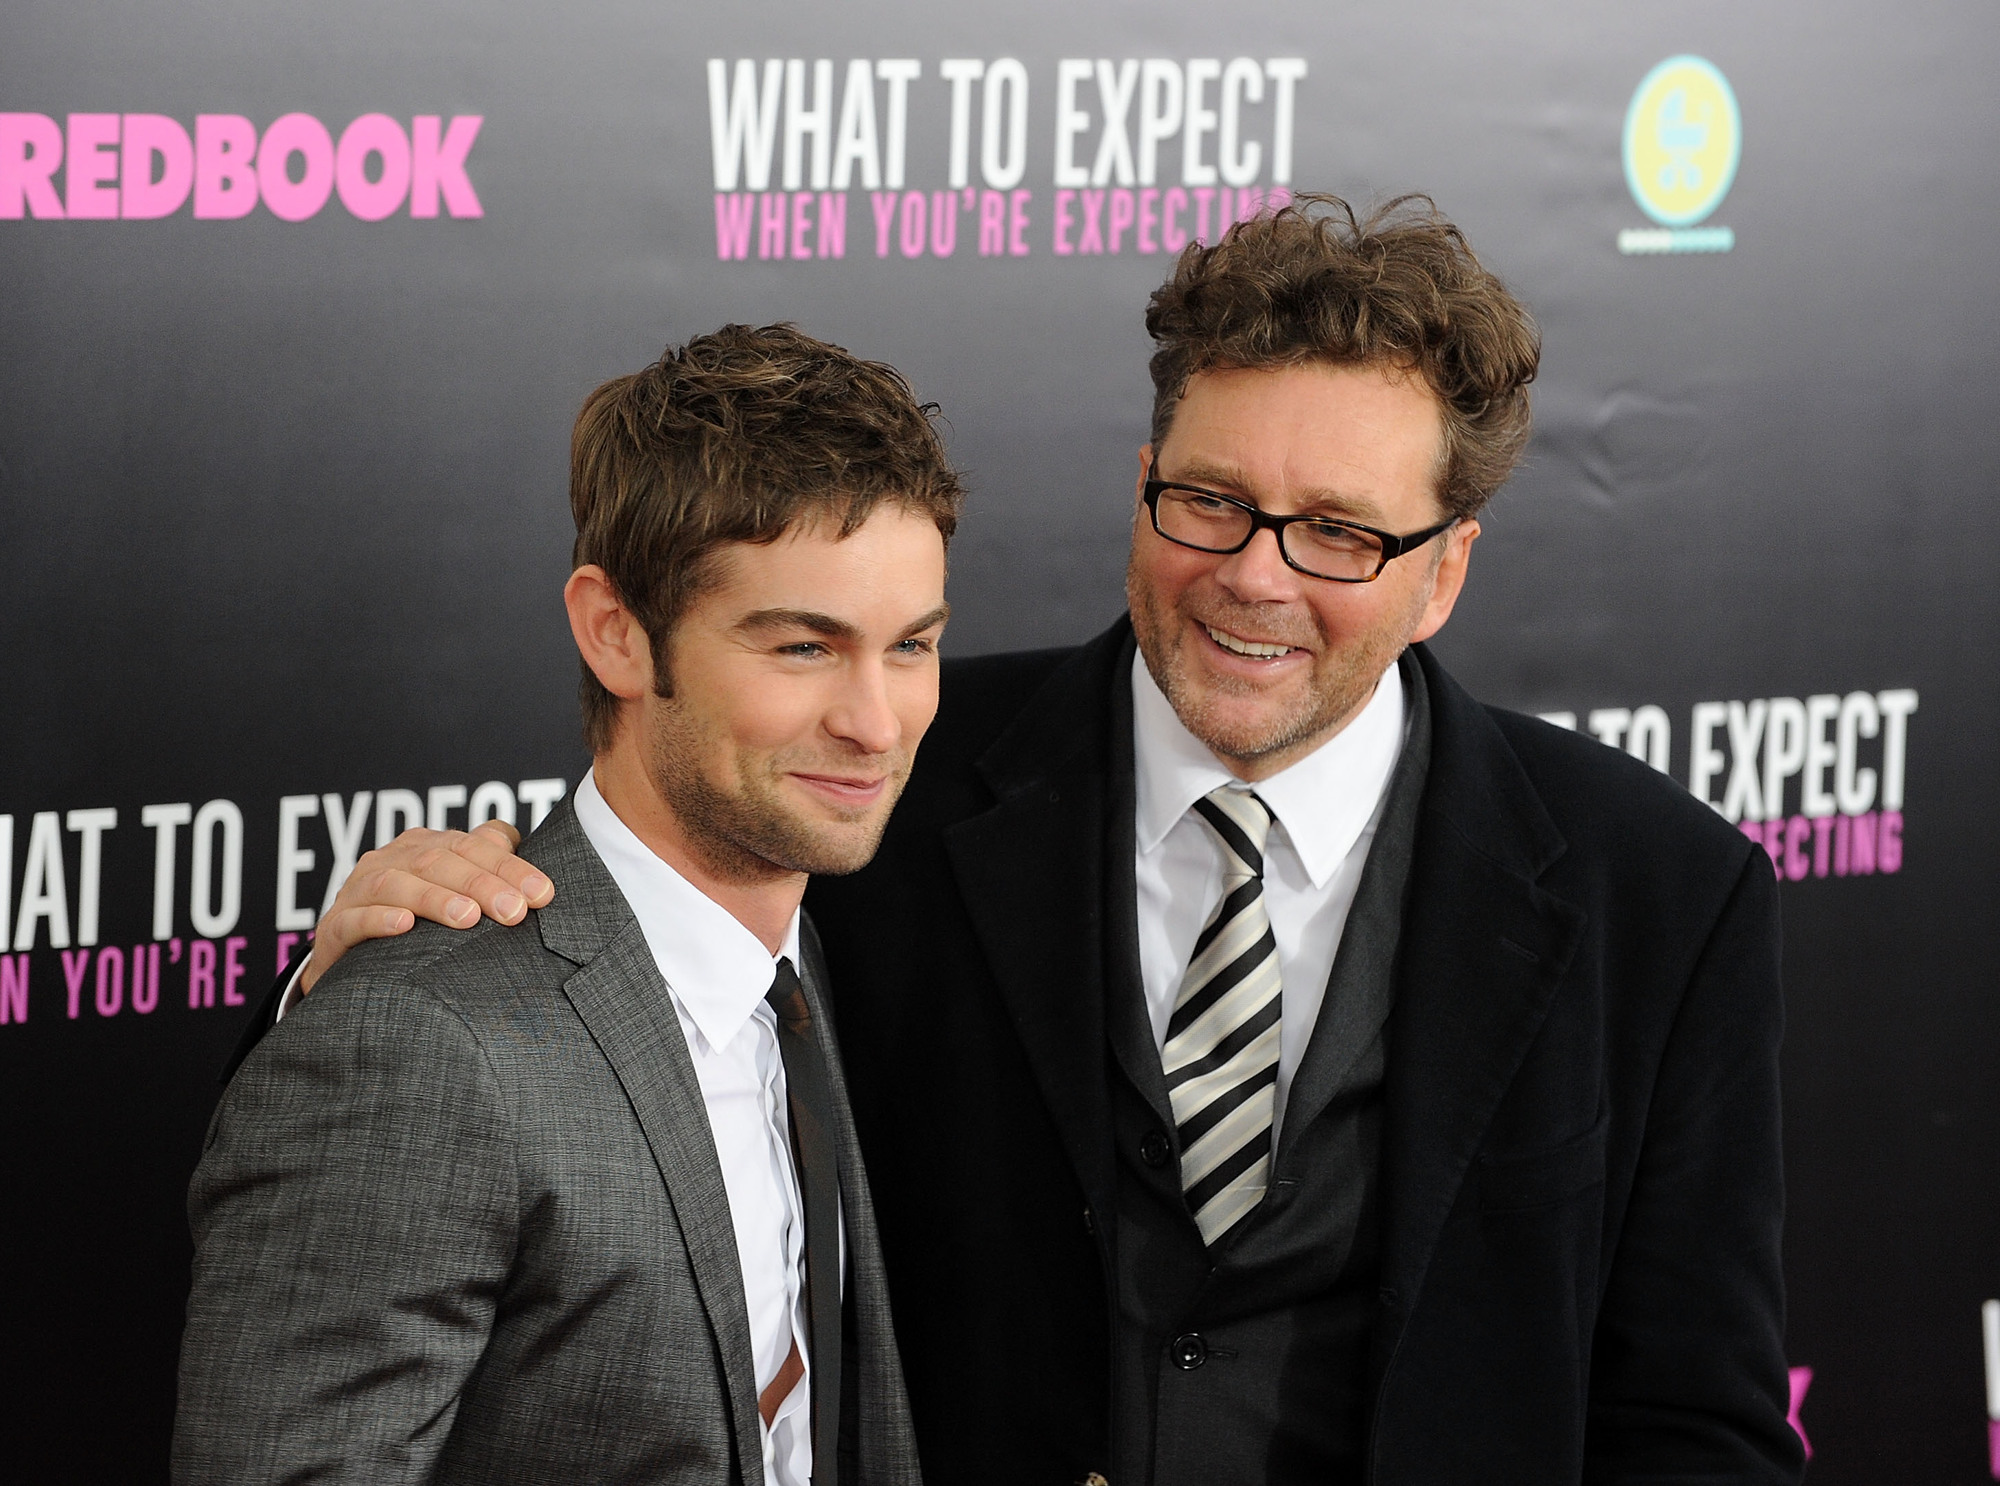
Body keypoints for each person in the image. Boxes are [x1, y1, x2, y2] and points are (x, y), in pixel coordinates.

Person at [240, 198, 1802, 1484]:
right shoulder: (881, 780)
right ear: (1141, 487)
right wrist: (375, 954)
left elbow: (1695, 1425)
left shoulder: (1656, 891)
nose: (1255, 576)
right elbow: (587, 1007)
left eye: (1337, 531)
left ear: (1445, 570)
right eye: (1209, 501)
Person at [175, 324, 960, 1485]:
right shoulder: (423, 1044)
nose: (876, 720)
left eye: (911, 646)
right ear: (615, 632)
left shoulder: (803, 960)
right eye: (802, 646)